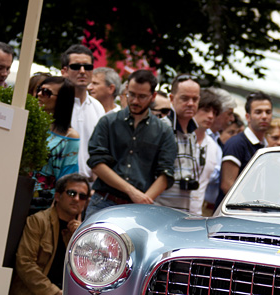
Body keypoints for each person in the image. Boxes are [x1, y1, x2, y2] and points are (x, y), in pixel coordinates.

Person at [5, 173, 90, 295]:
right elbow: (25, 264)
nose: (77, 199)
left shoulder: (83, 232)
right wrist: (57, 294)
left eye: (83, 196)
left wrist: (79, 238)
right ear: (57, 196)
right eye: (72, 193)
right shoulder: (38, 221)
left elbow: (89, 272)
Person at [85, 69, 176, 216]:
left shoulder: (164, 131)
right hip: (103, 201)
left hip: (138, 208)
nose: (135, 101)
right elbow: (96, 163)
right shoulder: (108, 122)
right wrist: (132, 192)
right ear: (126, 90)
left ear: (153, 96)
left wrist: (144, 199)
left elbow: (166, 174)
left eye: (142, 97)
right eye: (132, 94)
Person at [156, 85, 222, 216]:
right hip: (164, 208)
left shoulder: (215, 147)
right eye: (206, 110)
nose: (210, 116)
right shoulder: (169, 132)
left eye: (214, 113)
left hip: (195, 214)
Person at [29, 76, 81, 213]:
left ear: (61, 99)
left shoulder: (70, 136)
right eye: (39, 90)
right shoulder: (32, 122)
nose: (39, 94)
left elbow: (66, 178)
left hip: (43, 205)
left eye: (47, 92)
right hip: (16, 191)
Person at [59, 44, 106, 177]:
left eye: (88, 67)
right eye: (75, 66)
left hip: (87, 186)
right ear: (64, 71)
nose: (82, 71)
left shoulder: (97, 107)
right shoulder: (54, 103)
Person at [219, 91, 274, 204]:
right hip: (236, 215)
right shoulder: (236, 143)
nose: (264, 116)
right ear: (248, 117)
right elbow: (227, 185)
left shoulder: (266, 146)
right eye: (258, 112)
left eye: (268, 112)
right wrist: (248, 210)